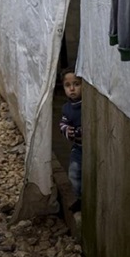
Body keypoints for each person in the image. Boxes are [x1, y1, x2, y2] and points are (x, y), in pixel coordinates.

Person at [59, 67, 82, 213]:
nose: (72, 89)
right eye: (68, 86)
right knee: (74, 173)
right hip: (78, 147)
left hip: (92, 148)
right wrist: (68, 131)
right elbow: (63, 124)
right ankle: (79, 199)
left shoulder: (88, 105)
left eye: (76, 84)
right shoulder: (67, 109)